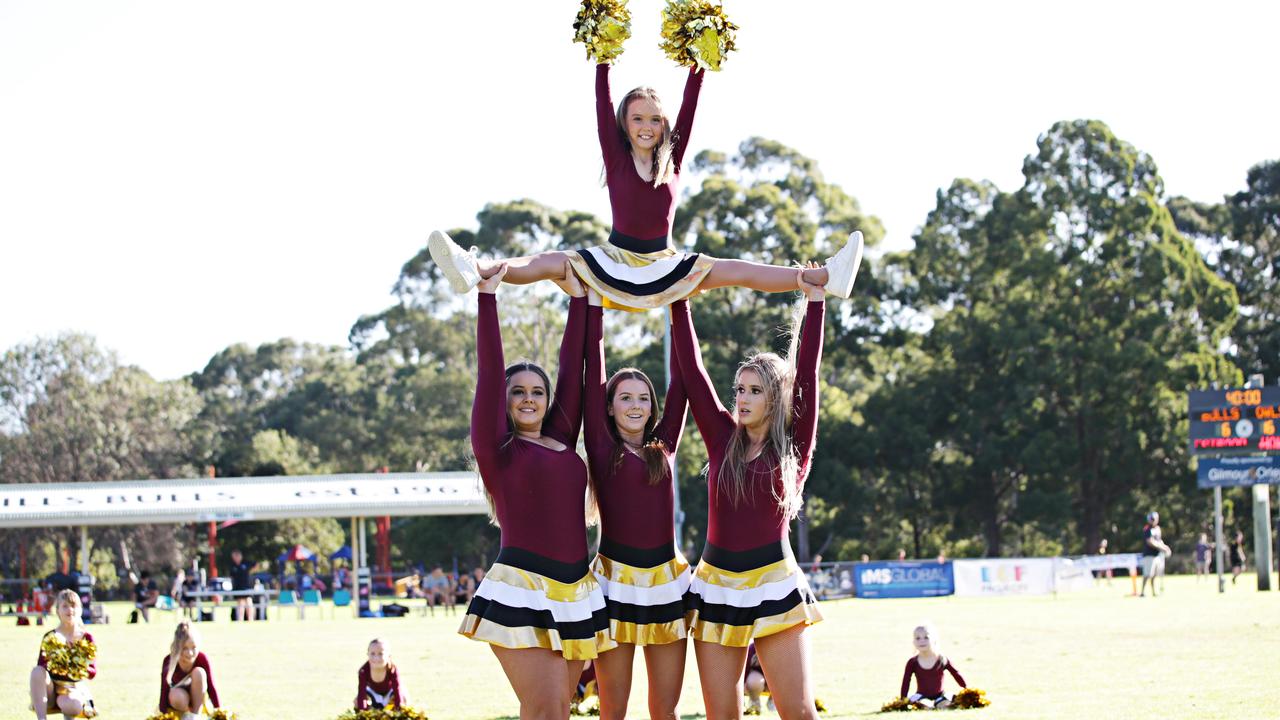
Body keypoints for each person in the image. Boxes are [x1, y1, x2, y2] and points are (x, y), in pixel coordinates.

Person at [428, 31, 863, 308]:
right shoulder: (616, 157)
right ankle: (477, 269)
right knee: (550, 261)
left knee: (739, 269)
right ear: (624, 124)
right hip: (614, 260)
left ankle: (825, 277)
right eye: (638, 118)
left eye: (655, 119)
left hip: (664, 264)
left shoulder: (671, 158)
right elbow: (602, 103)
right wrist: (602, 57)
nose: (647, 127)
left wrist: (699, 62)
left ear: (665, 126)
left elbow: (691, 107)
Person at [457, 264, 613, 719]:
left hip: (574, 590)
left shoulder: (562, 440)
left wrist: (581, 302)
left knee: (555, 712)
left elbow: (573, 368)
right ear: (504, 401)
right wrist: (487, 295)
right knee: (546, 710)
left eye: (538, 392)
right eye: (518, 392)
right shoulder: (498, 448)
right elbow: (489, 373)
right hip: (521, 589)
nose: (529, 398)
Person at [672, 266, 827, 719]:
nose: (741, 397)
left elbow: (809, 376)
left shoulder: (793, 443)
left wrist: (814, 300)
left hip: (775, 582)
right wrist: (678, 300)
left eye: (754, 390)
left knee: (797, 711)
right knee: (723, 714)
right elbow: (694, 374)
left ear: (775, 398)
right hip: (715, 585)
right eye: (739, 388)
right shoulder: (722, 437)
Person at [583, 289, 690, 720]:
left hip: (667, 582)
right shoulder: (601, 446)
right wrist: (593, 306)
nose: (635, 404)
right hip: (613, 586)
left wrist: (681, 305)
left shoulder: (663, 447)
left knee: (665, 710)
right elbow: (593, 370)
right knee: (614, 709)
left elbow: (685, 380)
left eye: (643, 397)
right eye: (624, 397)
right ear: (608, 408)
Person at [29, 589, 98, 719]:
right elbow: (42, 666)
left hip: (72, 688)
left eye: (73, 606)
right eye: (65, 606)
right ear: (57, 610)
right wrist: (57, 663)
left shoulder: (86, 638)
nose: (69, 610)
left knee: (71, 704)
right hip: (50, 689)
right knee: (36, 671)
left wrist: (78, 666)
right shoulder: (50, 637)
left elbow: (92, 672)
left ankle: (72, 713)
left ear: (80, 610)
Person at [159, 620, 221, 719]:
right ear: (177, 647)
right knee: (176, 695)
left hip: (198, 700)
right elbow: (164, 691)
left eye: (194, 648)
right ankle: (183, 716)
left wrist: (219, 711)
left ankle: (194, 717)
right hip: (178, 702)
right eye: (185, 648)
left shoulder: (202, 658)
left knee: (199, 672)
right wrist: (162, 715)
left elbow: (211, 686)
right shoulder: (169, 661)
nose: (190, 653)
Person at [900, 624, 966, 709]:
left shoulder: (942, 659)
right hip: (921, 696)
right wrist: (903, 699)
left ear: (934, 639)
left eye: (926, 637)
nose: (922, 641)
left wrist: (966, 689)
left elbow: (956, 674)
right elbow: (906, 681)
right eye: (918, 638)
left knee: (946, 705)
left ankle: (939, 704)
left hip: (940, 695)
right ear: (914, 642)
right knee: (923, 705)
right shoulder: (912, 662)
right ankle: (928, 706)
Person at [355, 638, 407, 710]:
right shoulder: (363, 671)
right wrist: (362, 712)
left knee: (404, 697)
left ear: (389, 656)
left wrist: (399, 710)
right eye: (372, 653)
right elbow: (362, 694)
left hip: (389, 695)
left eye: (381, 654)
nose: (376, 658)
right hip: (373, 694)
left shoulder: (392, 669)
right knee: (357, 700)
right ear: (367, 654)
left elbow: (397, 691)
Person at [1139, 511, 1172, 597]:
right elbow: (1150, 542)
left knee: (1154, 575)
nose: (1153, 521)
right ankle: (1142, 592)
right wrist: (1162, 548)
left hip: (1157, 555)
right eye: (1152, 519)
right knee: (1147, 574)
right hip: (1149, 555)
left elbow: (1159, 541)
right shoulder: (1147, 529)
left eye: (1154, 519)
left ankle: (1154, 592)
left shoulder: (1158, 529)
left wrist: (1165, 547)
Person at [228, 550, 254, 621]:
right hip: (237, 587)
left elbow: (256, 565)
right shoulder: (233, 566)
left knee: (248, 603)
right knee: (240, 604)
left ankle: (250, 619)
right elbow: (231, 576)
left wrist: (250, 572)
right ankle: (240, 619)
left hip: (246, 587)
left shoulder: (246, 563)